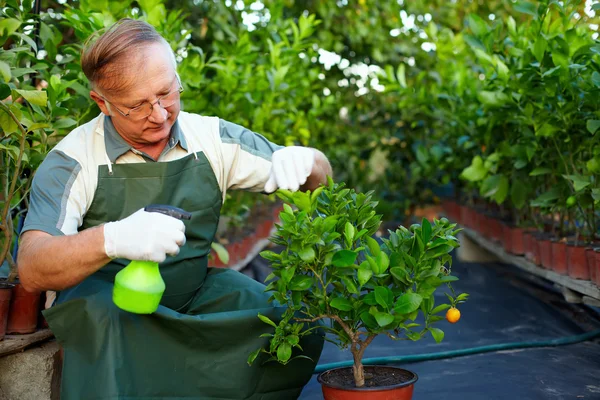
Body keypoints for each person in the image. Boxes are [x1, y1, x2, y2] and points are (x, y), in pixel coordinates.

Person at [17, 18, 331, 399]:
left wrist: (308, 161)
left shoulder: (212, 138)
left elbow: (319, 182)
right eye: (137, 105)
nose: (161, 114)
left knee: (293, 321)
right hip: (107, 300)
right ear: (102, 103)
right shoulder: (73, 158)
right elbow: (32, 267)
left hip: (192, 290)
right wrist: (112, 239)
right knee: (107, 323)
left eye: (167, 93)